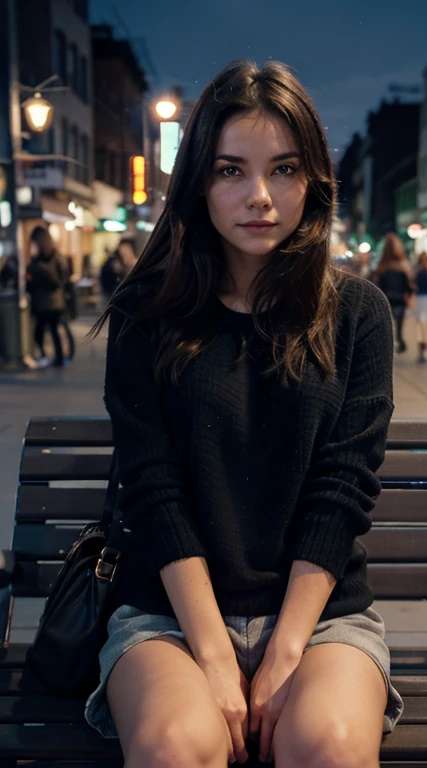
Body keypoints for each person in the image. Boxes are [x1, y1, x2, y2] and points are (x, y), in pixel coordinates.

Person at [87, 59, 404, 767]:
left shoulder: (358, 313)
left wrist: (285, 650)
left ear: (312, 179)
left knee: (329, 746)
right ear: (199, 181)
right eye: (232, 170)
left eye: (284, 170)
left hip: (320, 618)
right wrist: (214, 654)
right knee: (177, 746)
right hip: (169, 615)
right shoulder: (148, 317)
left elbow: (341, 488)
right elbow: (153, 487)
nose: (260, 196)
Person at [26, 227, 66, 367]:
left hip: (50, 302)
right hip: (46, 302)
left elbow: (57, 281)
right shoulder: (43, 259)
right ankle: (49, 356)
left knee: (49, 330)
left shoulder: (50, 260)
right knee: (45, 330)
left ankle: (55, 357)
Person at [375, 233, 414, 353]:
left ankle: (392, 343)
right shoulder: (403, 266)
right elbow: (409, 286)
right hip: (399, 300)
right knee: (398, 324)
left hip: (387, 299)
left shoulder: (382, 266)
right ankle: (399, 341)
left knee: (389, 325)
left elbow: (379, 285)